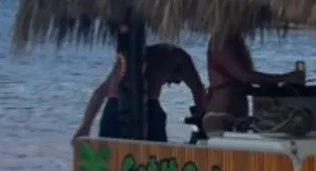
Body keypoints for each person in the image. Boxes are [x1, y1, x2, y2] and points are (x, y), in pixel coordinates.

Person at [75, 43, 206, 142]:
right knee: (155, 159)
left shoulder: (129, 62)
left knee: (110, 161)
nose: (174, 83)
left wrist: (85, 127)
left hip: (113, 108)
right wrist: (203, 118)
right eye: (175, 81)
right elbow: (198, 89)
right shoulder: (180, 57)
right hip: (148, 108)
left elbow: (99, 94)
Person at [204, 31, 303, 129]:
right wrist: (284, 78)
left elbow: (241, 82)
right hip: (221, 114)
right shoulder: (221, 42)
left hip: (235, 112)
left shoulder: (234, 40)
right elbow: (245, 76)